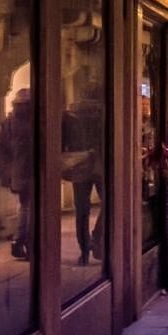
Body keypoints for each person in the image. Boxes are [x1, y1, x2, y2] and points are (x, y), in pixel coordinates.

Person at [62, 81, 106, 265]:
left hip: (79, 166)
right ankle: (97, 238)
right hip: (100, 165)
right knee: (109, 204)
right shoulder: (103, 113)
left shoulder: (70, 115)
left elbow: (63, 142)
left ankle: (84, 252)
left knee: (82, 211)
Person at [0, 88, 35, 261]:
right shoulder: (36, 120)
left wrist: (10, 167)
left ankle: (20, 241)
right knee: (30, 209)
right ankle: (21, 240)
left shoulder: (9, 121)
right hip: (33, 172)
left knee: (25, 207)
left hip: (18, 172)